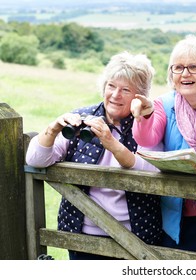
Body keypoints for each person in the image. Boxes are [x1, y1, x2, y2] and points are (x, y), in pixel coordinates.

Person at [25, 51, 163, 260]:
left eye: (125, 90)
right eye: (111, 86)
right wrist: (52, 130)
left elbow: (154, 170)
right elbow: (35, 161)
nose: (115, 95)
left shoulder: (147, 126)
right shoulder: (84, 118)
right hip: (83, 236)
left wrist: (111, 143)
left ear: (139, 96)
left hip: (137, 237)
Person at [131, 34, 196, 257]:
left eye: (194, 67)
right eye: (178, 68)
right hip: (175, 220)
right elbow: (146, 139)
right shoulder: (163, 104)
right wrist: (145, 115)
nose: (185, 74)